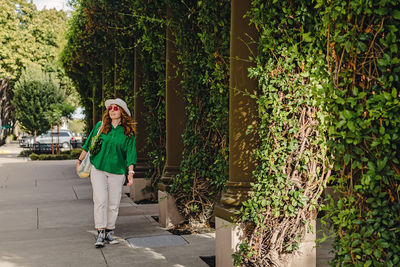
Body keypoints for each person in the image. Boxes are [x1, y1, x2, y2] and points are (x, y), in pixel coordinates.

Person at [76, 98, 137, 248]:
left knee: (114, 203)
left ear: (122, 112)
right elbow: (88, 144)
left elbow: (130, 153)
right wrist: (79, 161)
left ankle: (110, 231)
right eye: (110, 108)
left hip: (117, 171)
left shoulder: (128, 132)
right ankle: (100, 232)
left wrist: (130, 172)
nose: (112, 110)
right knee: (100, 200)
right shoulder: (101, 126)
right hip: (99, 168)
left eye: (115, 108)